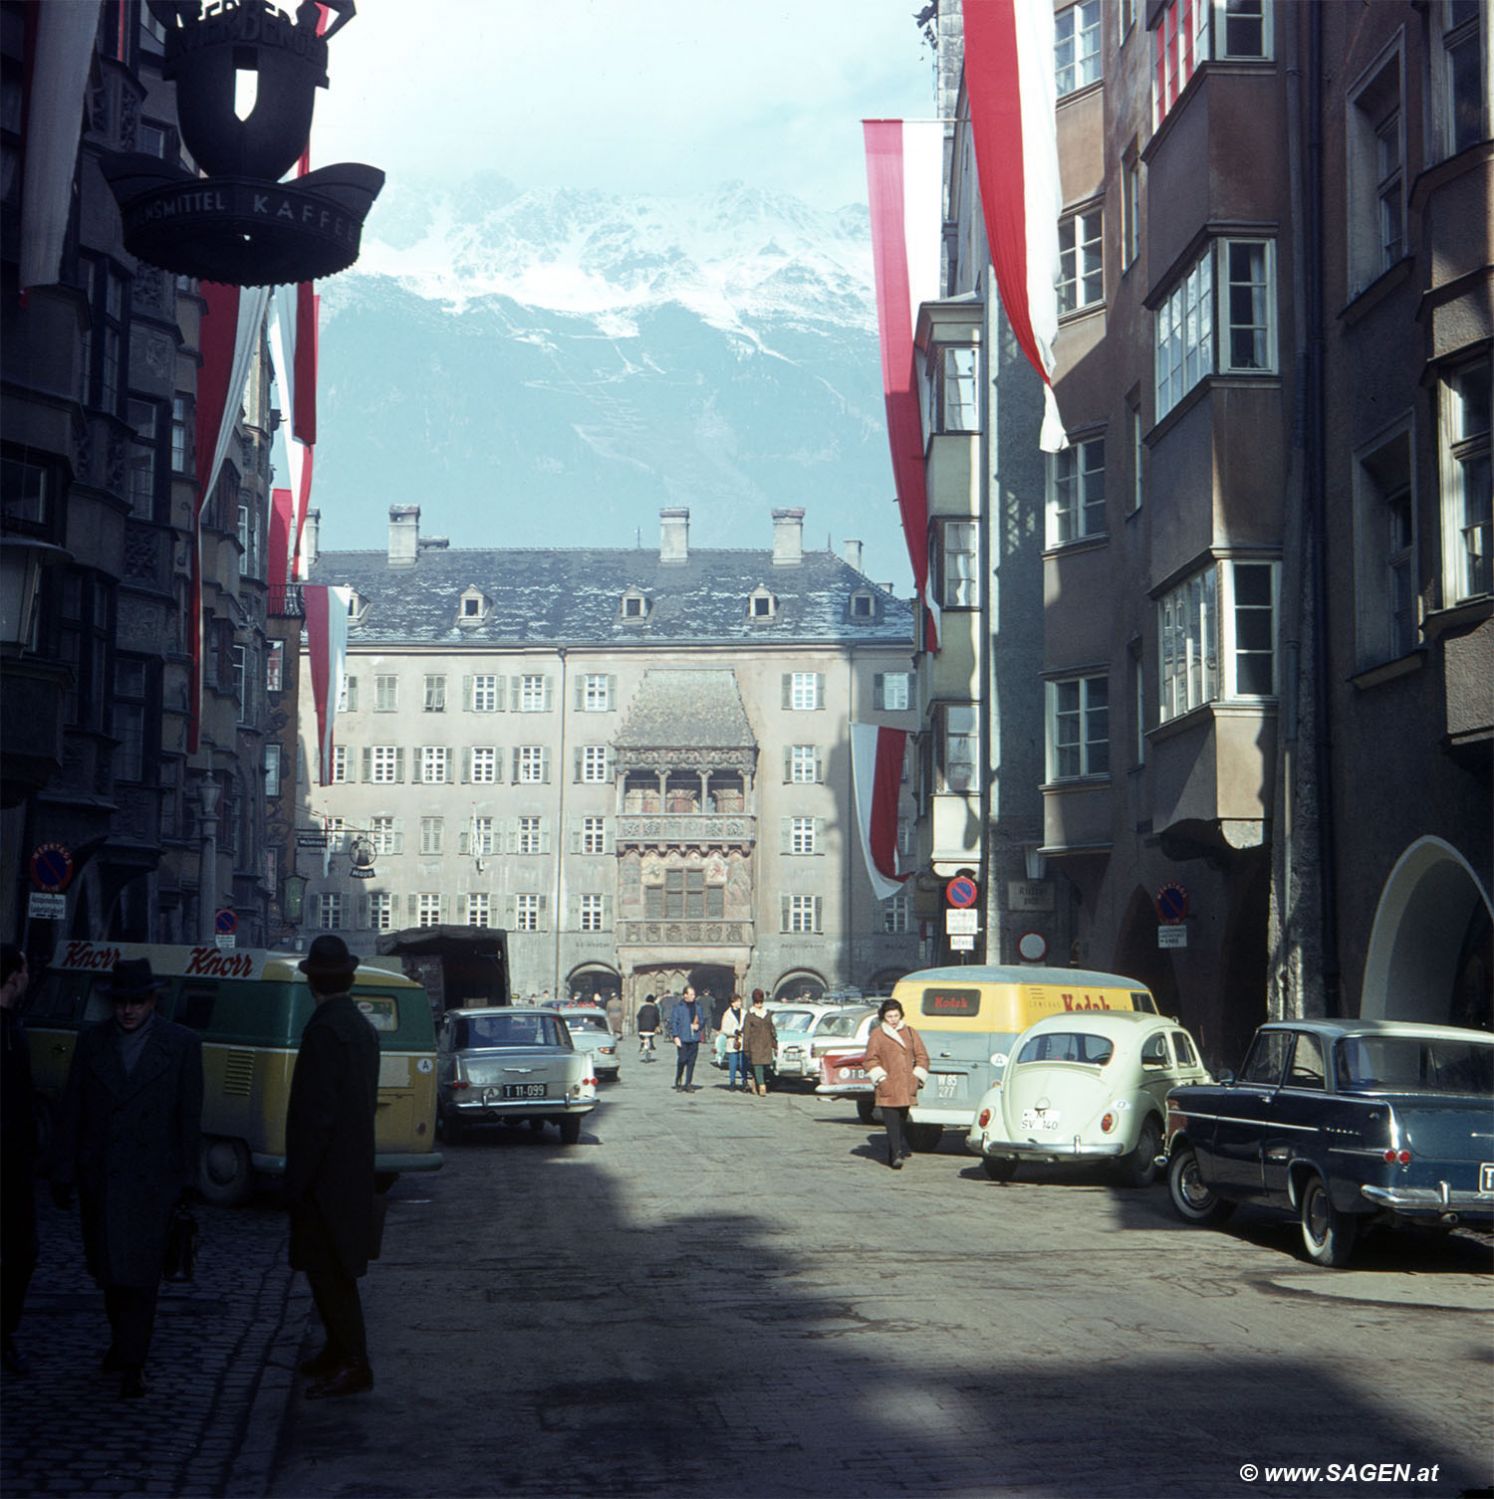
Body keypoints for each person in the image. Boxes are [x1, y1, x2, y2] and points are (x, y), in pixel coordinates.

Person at [51, 957, 203, 1398]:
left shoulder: (180, 1045)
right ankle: (122, 1343)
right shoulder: (93, 1042)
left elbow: (188, 1118)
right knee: (108, 1272)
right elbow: (72, 1108)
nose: (129, 1011)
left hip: (152, 1183)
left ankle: (134, 1360)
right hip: (101, 1177)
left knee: (141, 1276)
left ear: (153, 1000)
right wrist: (63, 1169)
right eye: (121, 1002)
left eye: (137, 1002)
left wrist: (186, 1182)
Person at [285, 935, 380, 1399]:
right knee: (332, 1266)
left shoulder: (325, 1030)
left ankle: (354, 1361)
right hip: (353, 1166)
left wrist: (297, 1178)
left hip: (326, 1175)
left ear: (311, 982)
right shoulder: (359, 1026)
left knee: (330, 1270)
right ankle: (338, 1349)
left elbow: (314, 1116)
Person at [1, 945, 37, 1374]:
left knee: (22, 1252)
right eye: (26, 970)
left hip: (16, 1162)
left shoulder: (15, 1026)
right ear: (14, 976)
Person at [861, 998, 930, 1170]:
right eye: (889, 1016)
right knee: (891, 1122)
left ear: (901, 1015)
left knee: (901, 1121)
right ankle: (896, 1154)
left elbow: (922, 1056)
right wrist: (881, 1079)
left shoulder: (911, 1033)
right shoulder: (877, 1034)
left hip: (907, 1085)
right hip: (888, 1085)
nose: (893, 1019)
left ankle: (894, 1152)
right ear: (883, 1017)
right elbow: (870, 1060)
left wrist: (917, 1076)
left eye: (896, 1016)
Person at [670, 985, 706, 1093]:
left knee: (691, 1062)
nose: (693, 996)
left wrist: (698, 1026)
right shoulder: (679, 1007)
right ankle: (678, 1079)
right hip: (683, 1038)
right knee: (682, 1059)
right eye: (690, 994)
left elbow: (702, 1020)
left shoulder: (697, 1007)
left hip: (694, 1038)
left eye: (694, 994)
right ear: (685, 995)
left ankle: (688, 1083)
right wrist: (675, 1036)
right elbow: (674, 1023)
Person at [742, 989, 777, 1097]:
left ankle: (755, 1081)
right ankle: (762, 1086)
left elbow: (772, 1028)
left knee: (766, 1066)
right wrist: (746, 1047)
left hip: (766, 1043)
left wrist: (774, 1041)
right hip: (755, 1044)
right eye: (757, 1002)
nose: (759, 1005)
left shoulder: (767, 1013)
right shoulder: (750, 1015)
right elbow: (746, 1032)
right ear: (754, 1001)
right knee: (758, 1065)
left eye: (761, 1002)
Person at [719, 994, 749, 1092]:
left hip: (742, 1040)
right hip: (732, 1041)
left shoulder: (744, 1013)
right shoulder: (727, 1014)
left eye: (740, 1001)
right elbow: (724, 1029)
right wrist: (734, 1031)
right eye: (738, 1001)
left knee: (743, 1063)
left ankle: (744, 1081)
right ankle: (732, 1082)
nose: (740, 1003)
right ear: (732, 1003)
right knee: (733, 1063)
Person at [635, 994, 660, 1061]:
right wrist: (657, 1026)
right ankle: (650, 1044)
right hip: (651, 1030)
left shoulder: (643, 1008)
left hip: (642, 1029)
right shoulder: (655, 1009)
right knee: (651, 1036)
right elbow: (657, 1018)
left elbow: (638, 1016)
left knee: (642, 1037)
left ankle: (642, 1043)